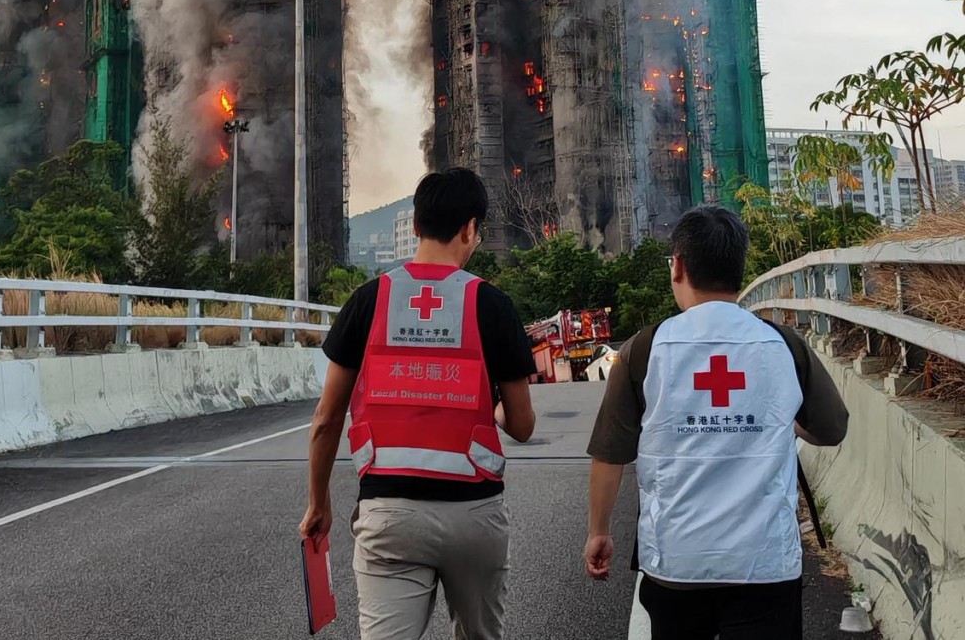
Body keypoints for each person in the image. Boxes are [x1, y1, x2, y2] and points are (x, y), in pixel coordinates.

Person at [585, 204, 849, 640]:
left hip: (677, 565)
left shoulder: (645, 348)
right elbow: (832, 428)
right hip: (765, 566)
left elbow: (609, 455)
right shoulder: (783, 344)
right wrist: (785, 423)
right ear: (740, 270)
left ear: (678, 267)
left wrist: (599, 532)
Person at [300, 167, 537, 640]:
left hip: (389, 513)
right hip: (473, 514)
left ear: (413, 225)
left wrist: (319, 502)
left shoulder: (368, 300)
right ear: (471, 228)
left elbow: (326, 421)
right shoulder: (492, 305)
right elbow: (523, 425)